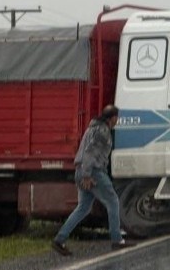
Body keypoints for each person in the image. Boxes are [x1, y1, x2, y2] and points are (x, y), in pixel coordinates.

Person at [52, 105, 134, 256]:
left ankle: (59, 239)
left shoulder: (92, 128)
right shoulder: (102, 131)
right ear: (113, 118)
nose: (118, 120)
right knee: (113, 201)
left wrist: (83, 173)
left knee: (83, 208)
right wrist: (87, 175)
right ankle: (117, 240)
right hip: (93, 172)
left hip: (80, 170)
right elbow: (90, 152)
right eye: (117, 117)